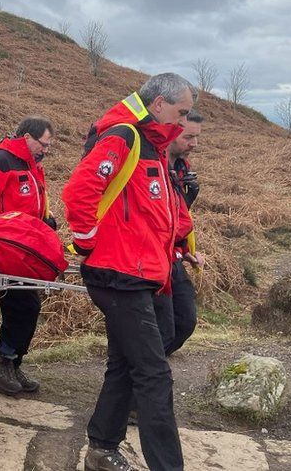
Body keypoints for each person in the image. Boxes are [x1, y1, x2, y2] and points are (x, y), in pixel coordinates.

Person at [62, 73, 196, 471]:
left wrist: (180, 244)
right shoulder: (125, 137)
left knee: (126, 363)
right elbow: (79, 192)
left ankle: (101, 448)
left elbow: (160, 209)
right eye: (181, 112)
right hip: (117, 275)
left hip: (142, 272)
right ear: (158, 105)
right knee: (153, 375)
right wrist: (86, 242)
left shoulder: (152, 147)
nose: (184, 121)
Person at [0, 116, 56, 396]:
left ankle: (12, 361)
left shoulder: (31, 166)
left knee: (30, 307)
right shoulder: (1, 162)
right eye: (43, 144)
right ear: (27, 137)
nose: (46, 150)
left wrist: (46, 222)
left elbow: (34, 203)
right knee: (22, 307)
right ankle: (3, 360)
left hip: (27, 246)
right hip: (8, 248)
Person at [154, 111, 204, 356]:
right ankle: (145, 372)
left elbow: (178, 217)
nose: (194, 144)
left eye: (196, 138)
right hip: (152, 256)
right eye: (189, 137)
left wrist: (187, 251)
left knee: (184, 321)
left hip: (173, 254)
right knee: (161, 328)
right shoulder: (152, 164)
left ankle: (152, 364)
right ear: (172, 132)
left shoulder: (182, 167)